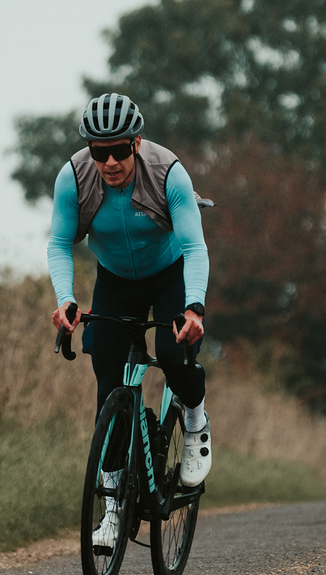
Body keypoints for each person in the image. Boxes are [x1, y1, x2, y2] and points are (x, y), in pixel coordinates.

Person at [48, 93, 210, 546]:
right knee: (110, 385)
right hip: (116, 279)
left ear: (137, 143)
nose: (112, 161)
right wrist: (65, 301)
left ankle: (195, 419)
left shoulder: (168, 173)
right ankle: (114, 508)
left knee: (173, 356)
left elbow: (195, 247)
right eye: (101, 152)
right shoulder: (74, 178)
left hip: (169, 273)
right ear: (90, 151)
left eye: (121, 149)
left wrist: (194, 307)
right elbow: (60, 243)